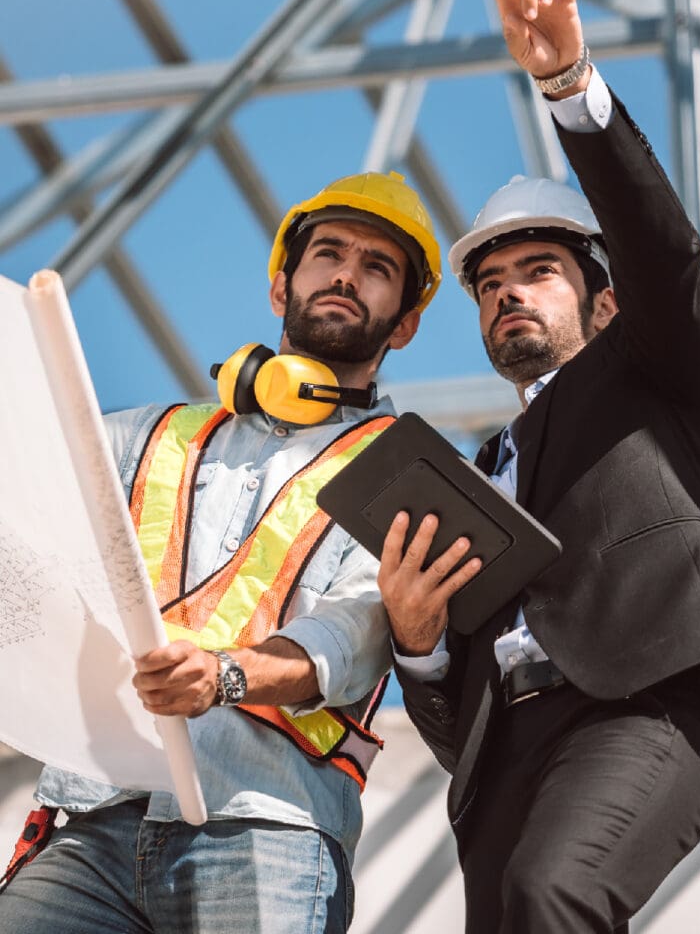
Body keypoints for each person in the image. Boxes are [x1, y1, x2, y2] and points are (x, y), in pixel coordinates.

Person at [377, 0, 700, 933]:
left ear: (604, 306)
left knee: (553, 893)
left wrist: (568, 84)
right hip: (503, 763)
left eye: (538, 269)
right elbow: (447, 726)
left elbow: (664, 252)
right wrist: (420, 642)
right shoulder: (468, 481)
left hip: (637, 711)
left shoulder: (655, 377)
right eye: (488, 282)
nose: (507, 288)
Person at [0, 171, 442, 933]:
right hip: (90, 817)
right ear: (281, 288)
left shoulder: (406, 473)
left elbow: (355, 635)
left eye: (378, 268)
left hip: (267, 826)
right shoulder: (140, 435)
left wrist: (227, 676)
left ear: (402, 326)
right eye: (328, 253)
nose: (345, 273)